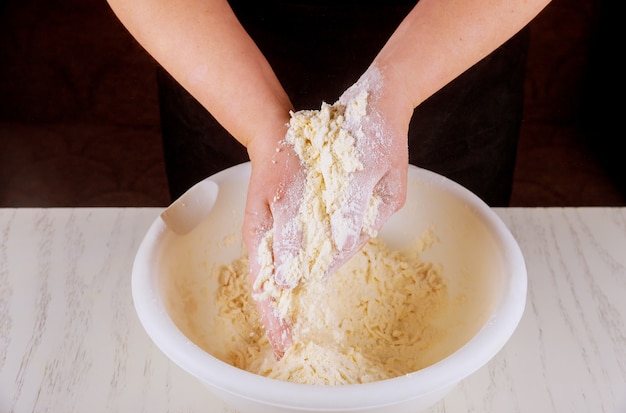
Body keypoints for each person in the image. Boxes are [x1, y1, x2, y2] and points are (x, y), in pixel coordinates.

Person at [106, 0, 552, 356]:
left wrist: (393, 88)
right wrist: (262, 127)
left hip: (453, 41)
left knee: (470, 265)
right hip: (220, 49)